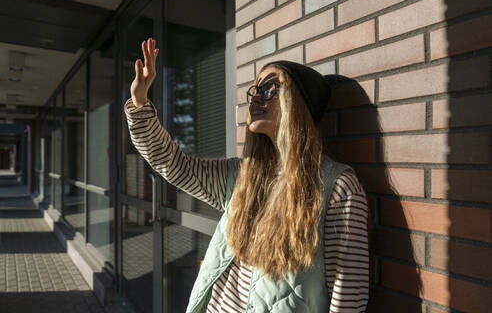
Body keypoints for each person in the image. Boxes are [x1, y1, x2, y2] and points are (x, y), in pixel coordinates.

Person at [125, 38, 369, 313]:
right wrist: (140, 102)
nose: (256, 96)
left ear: (300, 103)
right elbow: (172, 164)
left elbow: (348, 297)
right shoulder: (240, 176)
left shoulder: (338, 188)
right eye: (255, 89)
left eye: (270, 88)